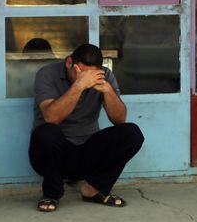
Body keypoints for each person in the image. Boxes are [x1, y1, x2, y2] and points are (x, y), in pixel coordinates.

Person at [28, 43, 144, 212]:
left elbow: (120, 120)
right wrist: (79, 85)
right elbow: (51, 117)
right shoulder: (47, 74)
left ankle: (93, 189)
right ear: (69, 63)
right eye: (81, 72)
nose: (86, 78)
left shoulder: (104, 76)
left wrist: (108, 91)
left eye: (90, 74)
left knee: (132, 133)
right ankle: (51, 193)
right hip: (52, 156)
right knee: (46, 132)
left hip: (86, 152)